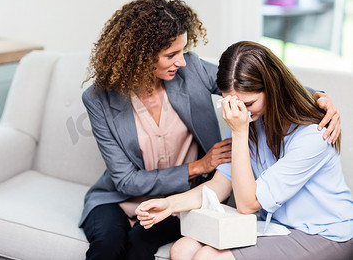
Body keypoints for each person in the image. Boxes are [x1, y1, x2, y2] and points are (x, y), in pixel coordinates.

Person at [80, 0, 340, 260]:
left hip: (307, 226)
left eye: (182, 51)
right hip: (124, 196)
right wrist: (193, 175)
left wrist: (317, 97)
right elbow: (127, 180)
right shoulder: (99, 98)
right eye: (171, 54)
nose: (181, 61)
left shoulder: (204, 83)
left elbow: (262, 83)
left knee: (146, 246)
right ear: (141, 57)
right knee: (115, 247)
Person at [135, 41, 353, 260]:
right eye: (233, 104)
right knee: (182, 249)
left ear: (272, 89)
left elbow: (248, 204)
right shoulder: (247, 120)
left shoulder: (313, 134)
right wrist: (168, 204)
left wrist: (240, 132)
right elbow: (219, 185)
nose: (242, 113)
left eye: (249, 104)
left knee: (209, 257)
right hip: (276, 226)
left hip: (325, 232)